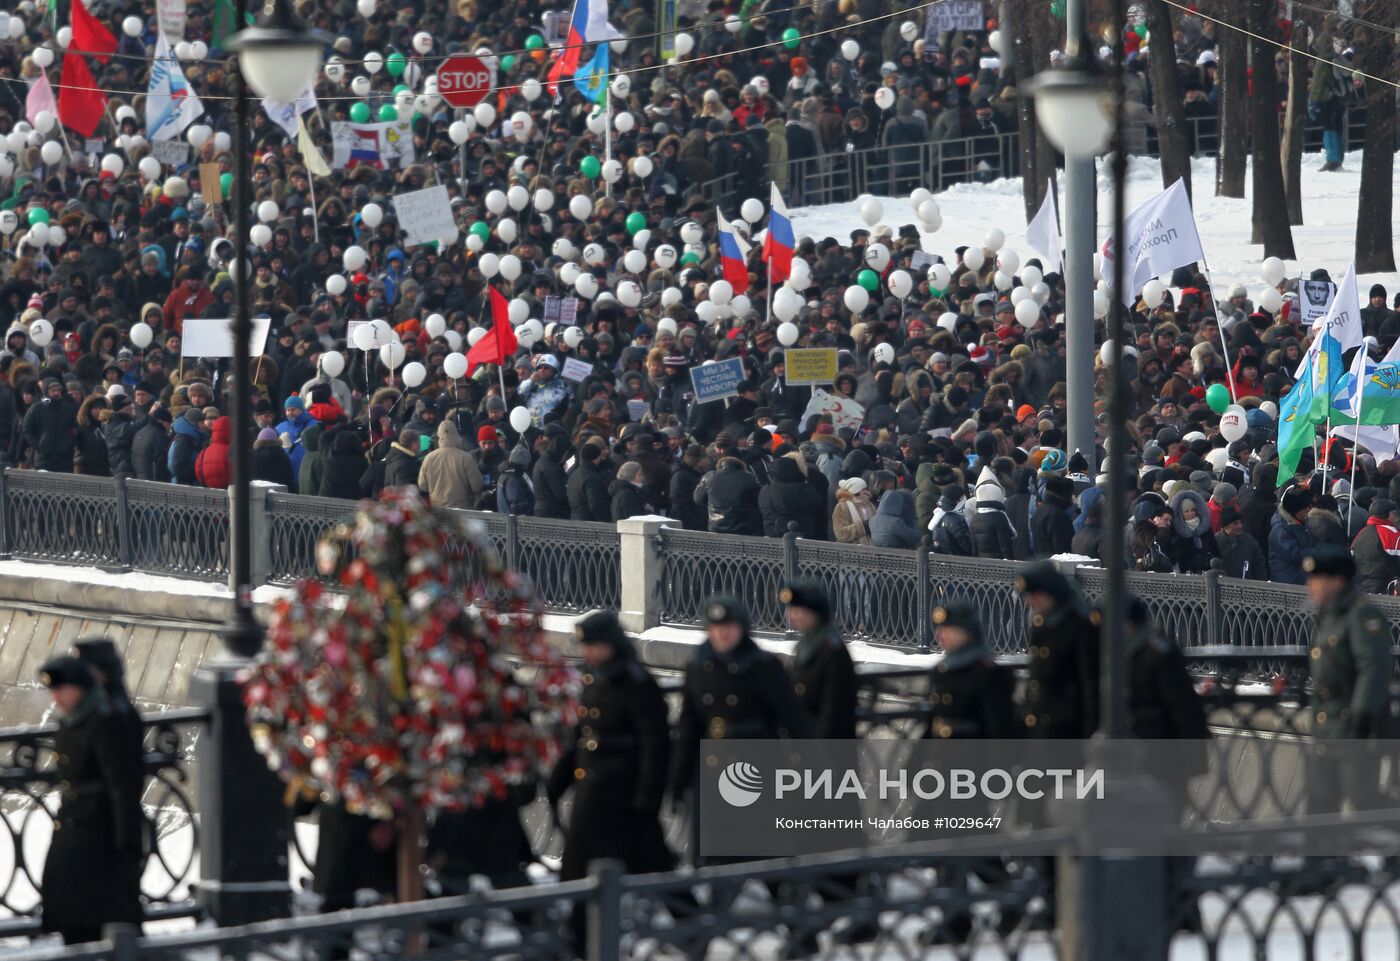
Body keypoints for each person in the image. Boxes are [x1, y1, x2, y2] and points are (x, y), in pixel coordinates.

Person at [547, 611, 674, 947]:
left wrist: (648, 796)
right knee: (576, 867)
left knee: (653, 866)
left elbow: (653, 744)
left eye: (594, 646)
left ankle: (690, 927)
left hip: (623, 794)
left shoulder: (636, 683)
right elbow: (582, 735)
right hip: (592, 791)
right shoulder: (594, 679)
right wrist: (558, 779)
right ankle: (576, 939)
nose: (588, 653)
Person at [669, 597, 810, 817]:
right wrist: (678, 781)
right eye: (715, 628)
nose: (721, 634)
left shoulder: (764, 667)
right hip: (712, 769)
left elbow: (792, 719)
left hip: (758, 765)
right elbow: (689, 726)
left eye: (728, 628)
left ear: (741, 629)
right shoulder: (699, 669)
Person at [37, 656, 145, 944]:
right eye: (53, 690)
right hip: (73, 836)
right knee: (74, 923)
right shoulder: (72, 722)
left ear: (81, 687)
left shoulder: (104, 720)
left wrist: (129, 846)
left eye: (62, 689)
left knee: (99, 924)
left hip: (100, 839)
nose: (56, 697)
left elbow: (122, 786)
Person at [1303, 546, 1390, 813]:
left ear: (1337, 581)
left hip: (1349, 723)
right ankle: (1320, 855)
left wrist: (1362, 714)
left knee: (1364, 800)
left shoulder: (1361, 614)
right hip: (1325, 723)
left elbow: (1373, 665)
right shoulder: (1331, 614)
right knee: (1320, 802)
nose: (1310, 587)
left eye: (1316, 580)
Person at [1016, 562, 1100, 738]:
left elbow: (1090, 681)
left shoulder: (1081, 625)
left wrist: (1091, 730)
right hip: (1041, 720)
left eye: (1035, 595)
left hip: (1068, 724)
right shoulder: (1042, 623)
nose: (1030, 602)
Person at [779, 579, 857, 739]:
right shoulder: (806, 645)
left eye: (797, 610)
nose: (791, 617)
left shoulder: (832, 650)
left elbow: (833, 712)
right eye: (790, 610)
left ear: (815, 611)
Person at [417, 420, 484, 509]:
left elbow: (423, 486)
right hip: (463, 510)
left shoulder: (429, 458)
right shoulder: (466, 457)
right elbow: (477, 486)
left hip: (438, 511)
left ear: (439, 436)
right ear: (456, 434)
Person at [1350, 498, 1400, 595]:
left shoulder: (1361, 534)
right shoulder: (1391, 533)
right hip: (1386, 589)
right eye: (1394, 512)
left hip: (1361, 588)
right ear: (1388, 514)